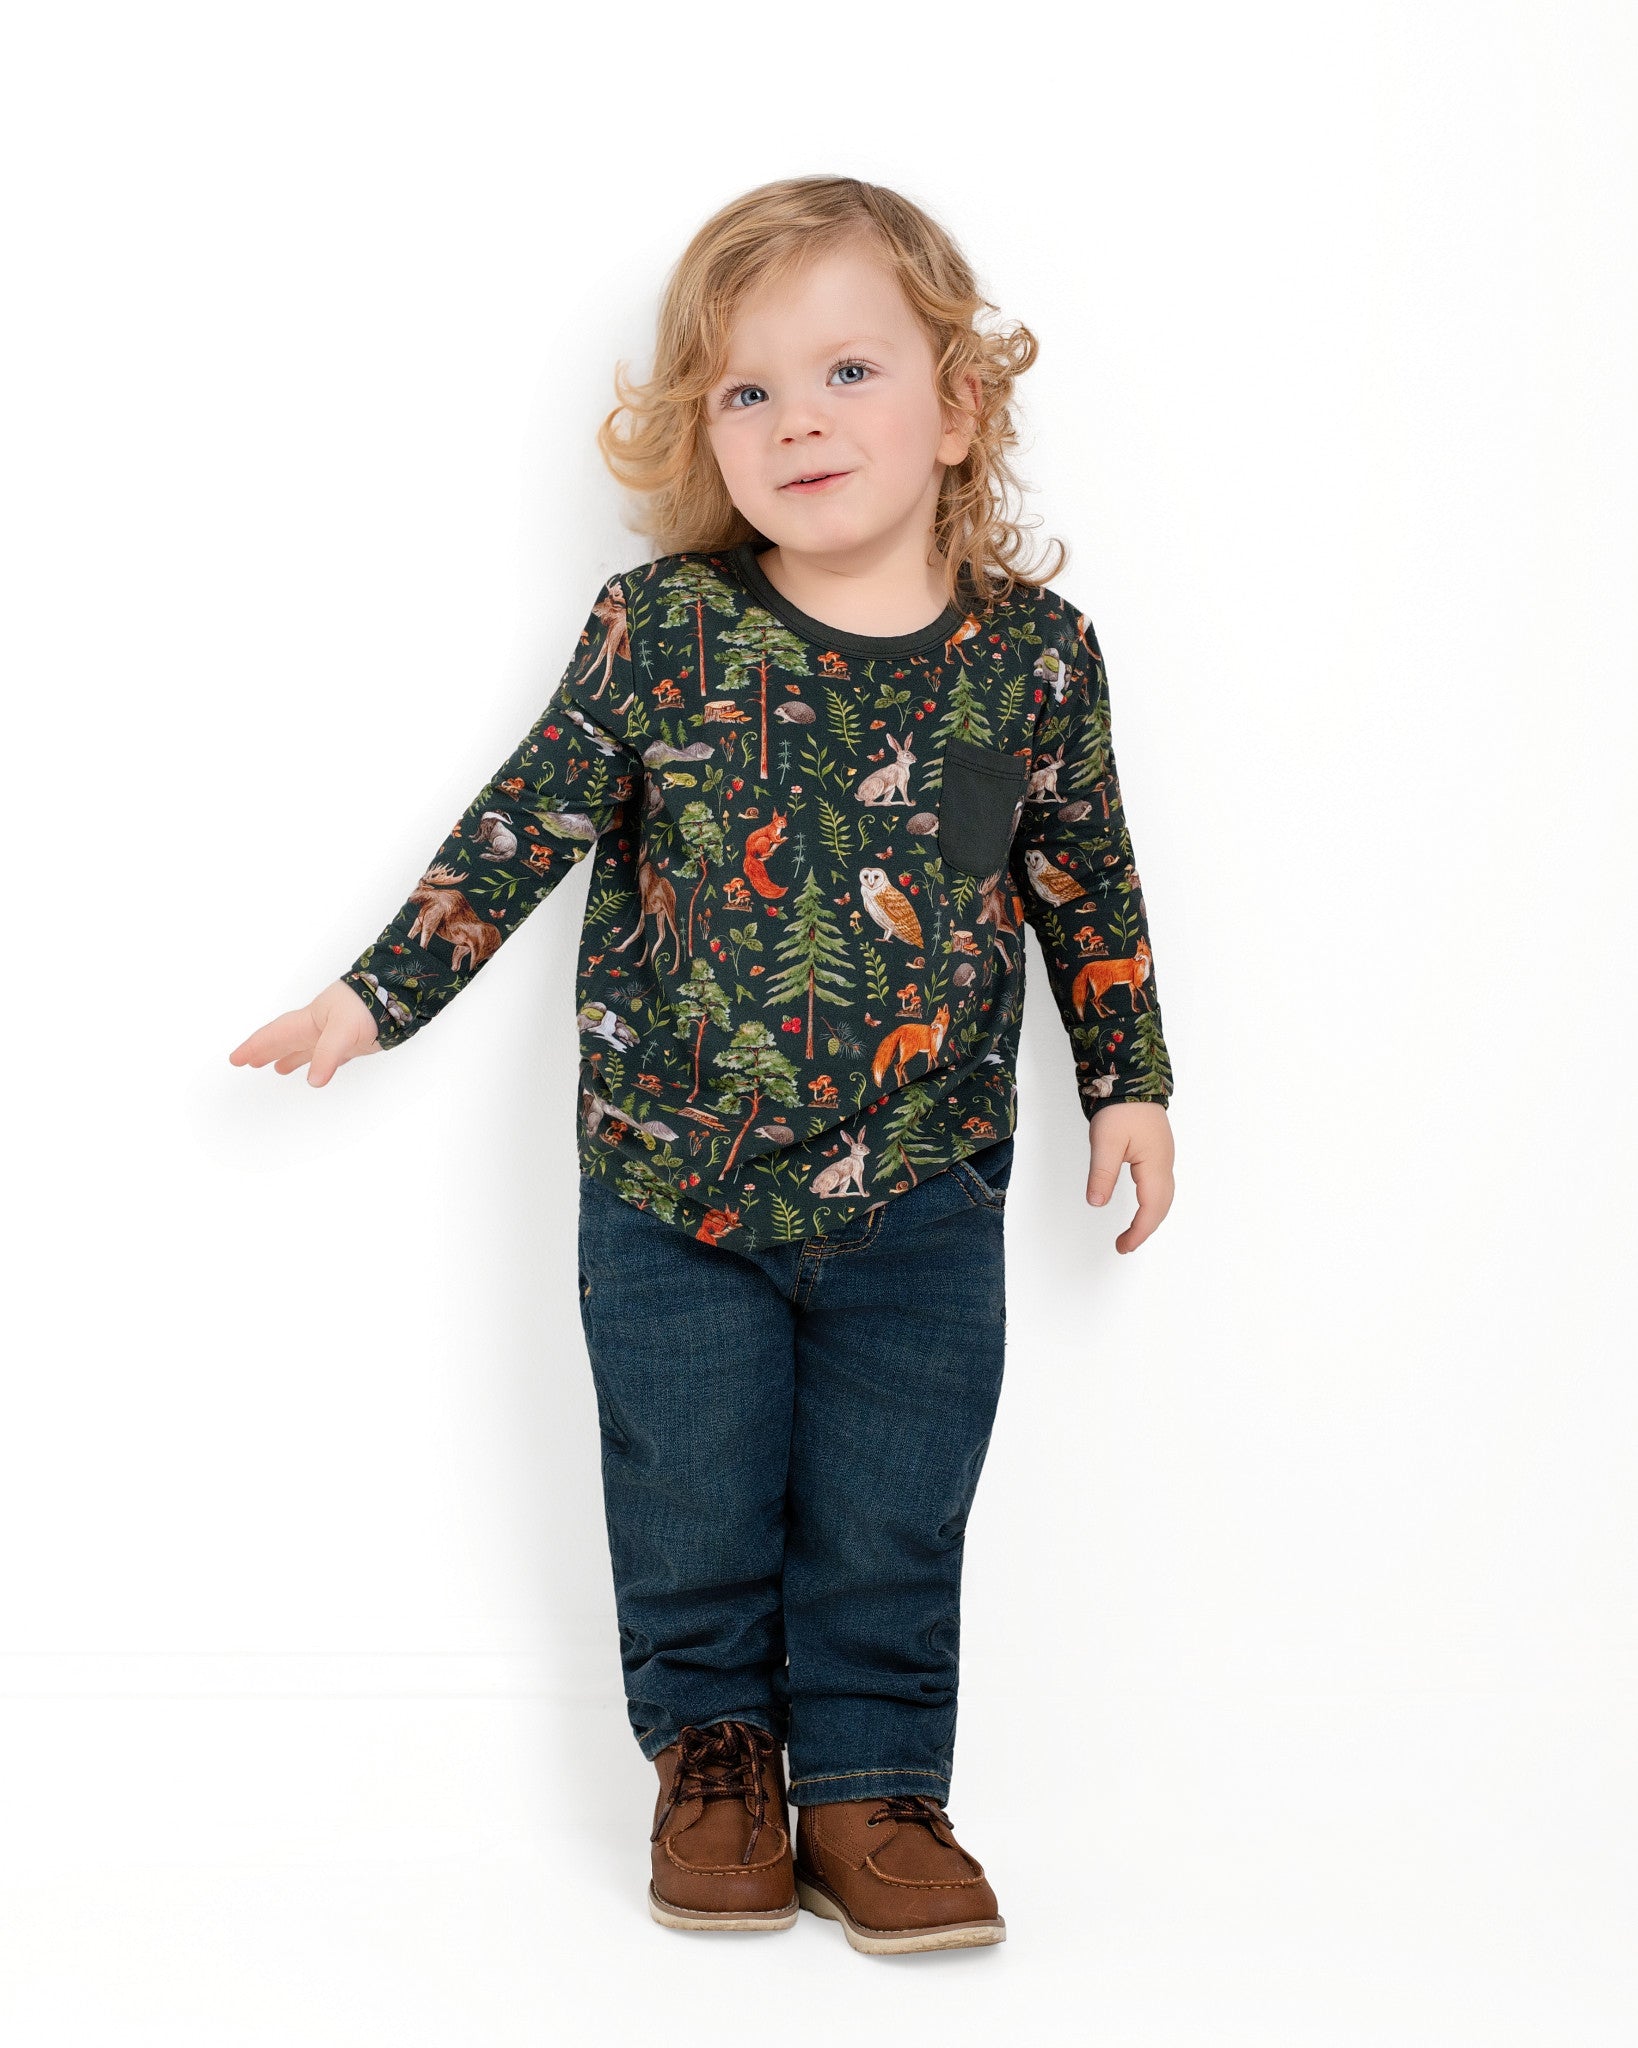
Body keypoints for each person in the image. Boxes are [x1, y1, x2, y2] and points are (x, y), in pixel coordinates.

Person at [230, 174, 1176, 1955]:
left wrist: (1131, 1080)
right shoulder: (661, 632)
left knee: (897, 1507)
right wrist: (372, 997)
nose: (798, 419)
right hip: (671, 1184)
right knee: (687, 1487)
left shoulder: (1035, 662)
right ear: (701, 435)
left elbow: (1085, 878)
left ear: (959, 408)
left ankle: (878, 1788)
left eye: (846, 372)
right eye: (748, 392)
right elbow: (522, 823)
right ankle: (717, 1762)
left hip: (923, 1185)